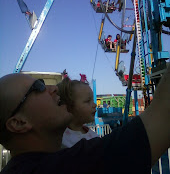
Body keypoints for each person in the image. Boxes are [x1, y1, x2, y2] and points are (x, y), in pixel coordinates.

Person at [0, 65, 170, 173]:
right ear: (18, 122)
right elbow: (164, 115)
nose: (53, 89)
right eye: (38, 86)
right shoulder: (64, 167)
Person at [57, 78, 99, 148]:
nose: (95, 105)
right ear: (69, 106)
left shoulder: (94, 136)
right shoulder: (60, 140)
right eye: (88, 101)